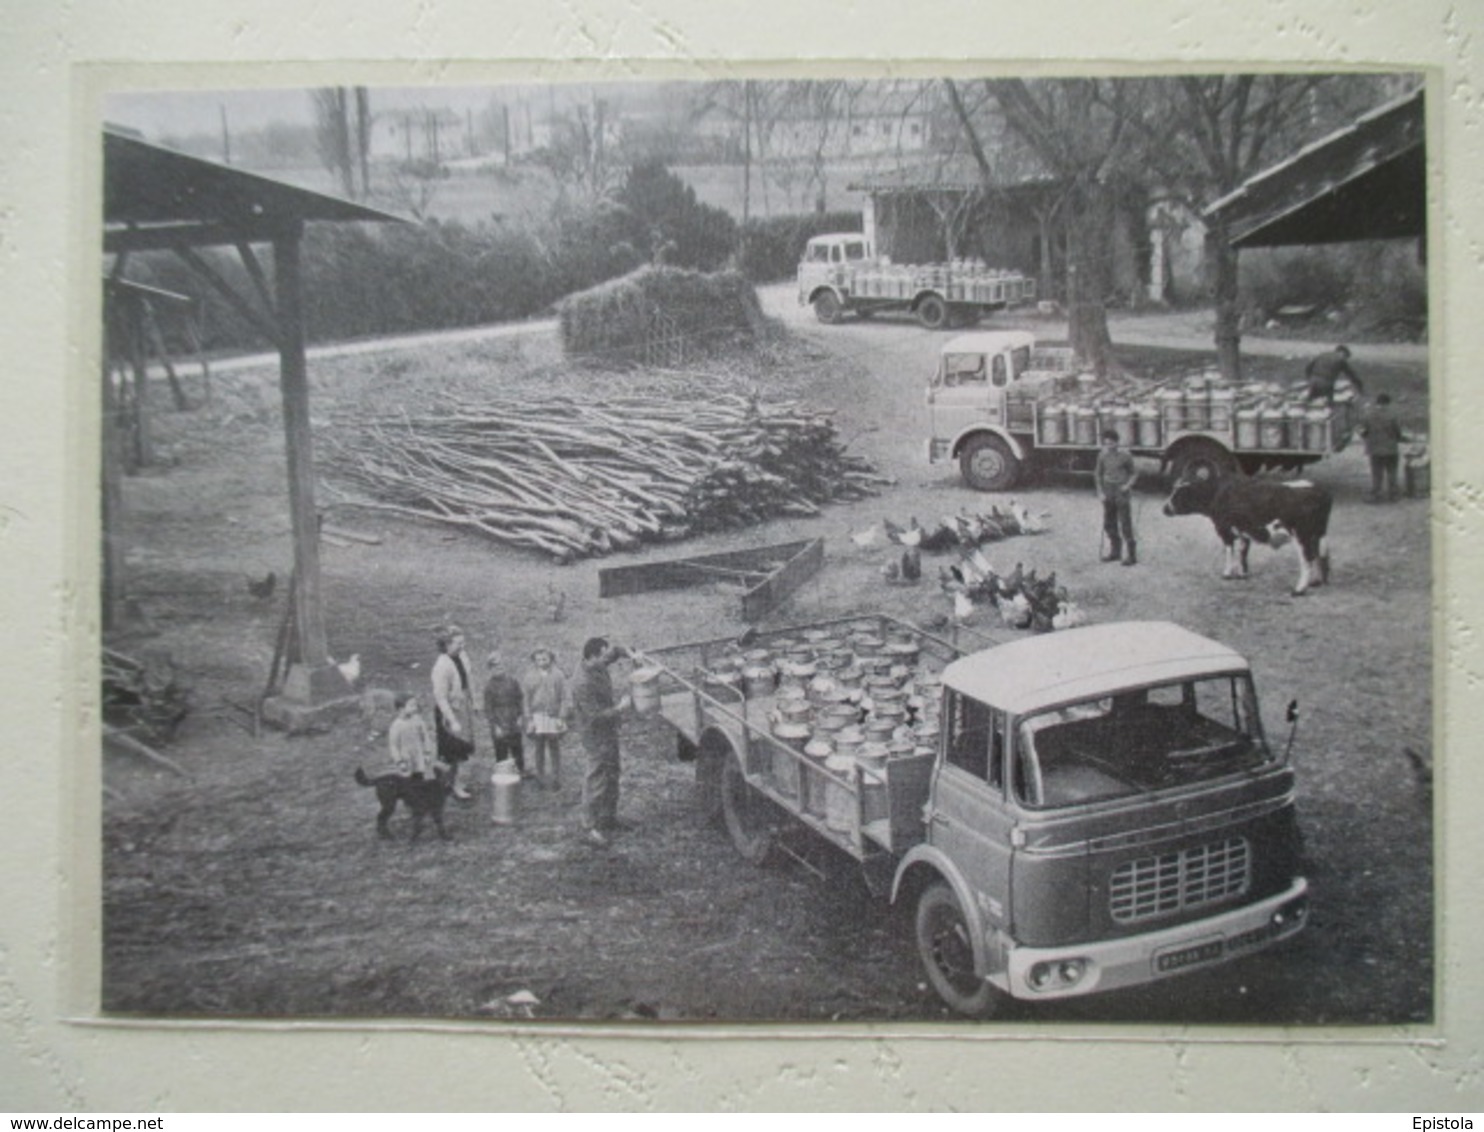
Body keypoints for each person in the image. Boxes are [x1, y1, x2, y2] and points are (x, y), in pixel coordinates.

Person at [570, 636, 632, 847]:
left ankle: (608, 818)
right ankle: (589, 828)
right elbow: (594, 716)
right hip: (595, 734)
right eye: (603, 656)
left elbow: (615, 651)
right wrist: (621, 708)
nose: (607, 658)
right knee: (597, 777)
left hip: (608, 730)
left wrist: (629, 653)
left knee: (613, 772)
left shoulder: (596, 661)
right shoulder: (582, 683)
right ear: (592, 657)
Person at [431, 625, 476, 800]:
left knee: (461, 749)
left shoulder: (462, 657)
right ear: (446, 644)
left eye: (463, 642)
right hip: (448, 712)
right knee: (451, 751)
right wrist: (452, 720)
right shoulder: (441, 666)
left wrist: (475, 701)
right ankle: (450, 784)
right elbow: (441, 698)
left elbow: (468, 679)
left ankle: (452, 782)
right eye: (458, 643)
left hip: (462, 707)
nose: (462, 646)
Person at [522, 648, 570, 792]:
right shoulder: (529, 677)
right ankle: (540, 777)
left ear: (551, 659)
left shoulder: (558, 675)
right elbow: (526, 699)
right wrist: (529, 719)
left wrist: (562, 717)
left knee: (554, 746)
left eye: (545, 659)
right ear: (534, 661)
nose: (542, 663)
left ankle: (556, 777)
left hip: (553, 716)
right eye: (538, 660)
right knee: (539, 747)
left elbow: (564, 698)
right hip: (537, 716)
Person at [1094, 428, 1138, 566]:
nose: (1109, 447)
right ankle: (1115, 552)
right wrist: (1100, 492)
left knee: (1125, 523)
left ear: (1117, 443)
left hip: (1121, 491)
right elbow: (1098, 474)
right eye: (1106, 444)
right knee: (1109, 523)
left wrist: (1127, 486)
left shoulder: (1126, 455)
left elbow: (1134, 473)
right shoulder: (1102, 455)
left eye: (1112, 443)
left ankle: (1132, 555)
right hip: (1108, 491)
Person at [482, 650, 527, 777]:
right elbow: (488, 709)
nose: (499, 668)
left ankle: (520, 770)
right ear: (490, 668)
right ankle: (503, 773)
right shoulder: (489, 687)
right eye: (495, 666)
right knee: (501, 750)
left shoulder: (513, 681)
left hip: (513, 719)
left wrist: (520, 716)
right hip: (499, 722)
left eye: (501, 665)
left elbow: (520, 698)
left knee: (517, 748)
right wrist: (495, 726)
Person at [1360, 392, 1406, 502]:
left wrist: (1367, 437)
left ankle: (1376, 494)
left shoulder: (1368, 414)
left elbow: (1363, 431)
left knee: (1376, 473)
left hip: (1374, 449)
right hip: (1390, 448)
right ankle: (1393, 494)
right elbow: (1397, 431)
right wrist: (1400, 438)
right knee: (1391, 471)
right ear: (1388, 403)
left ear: (1377, 402)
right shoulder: (1392, 415)